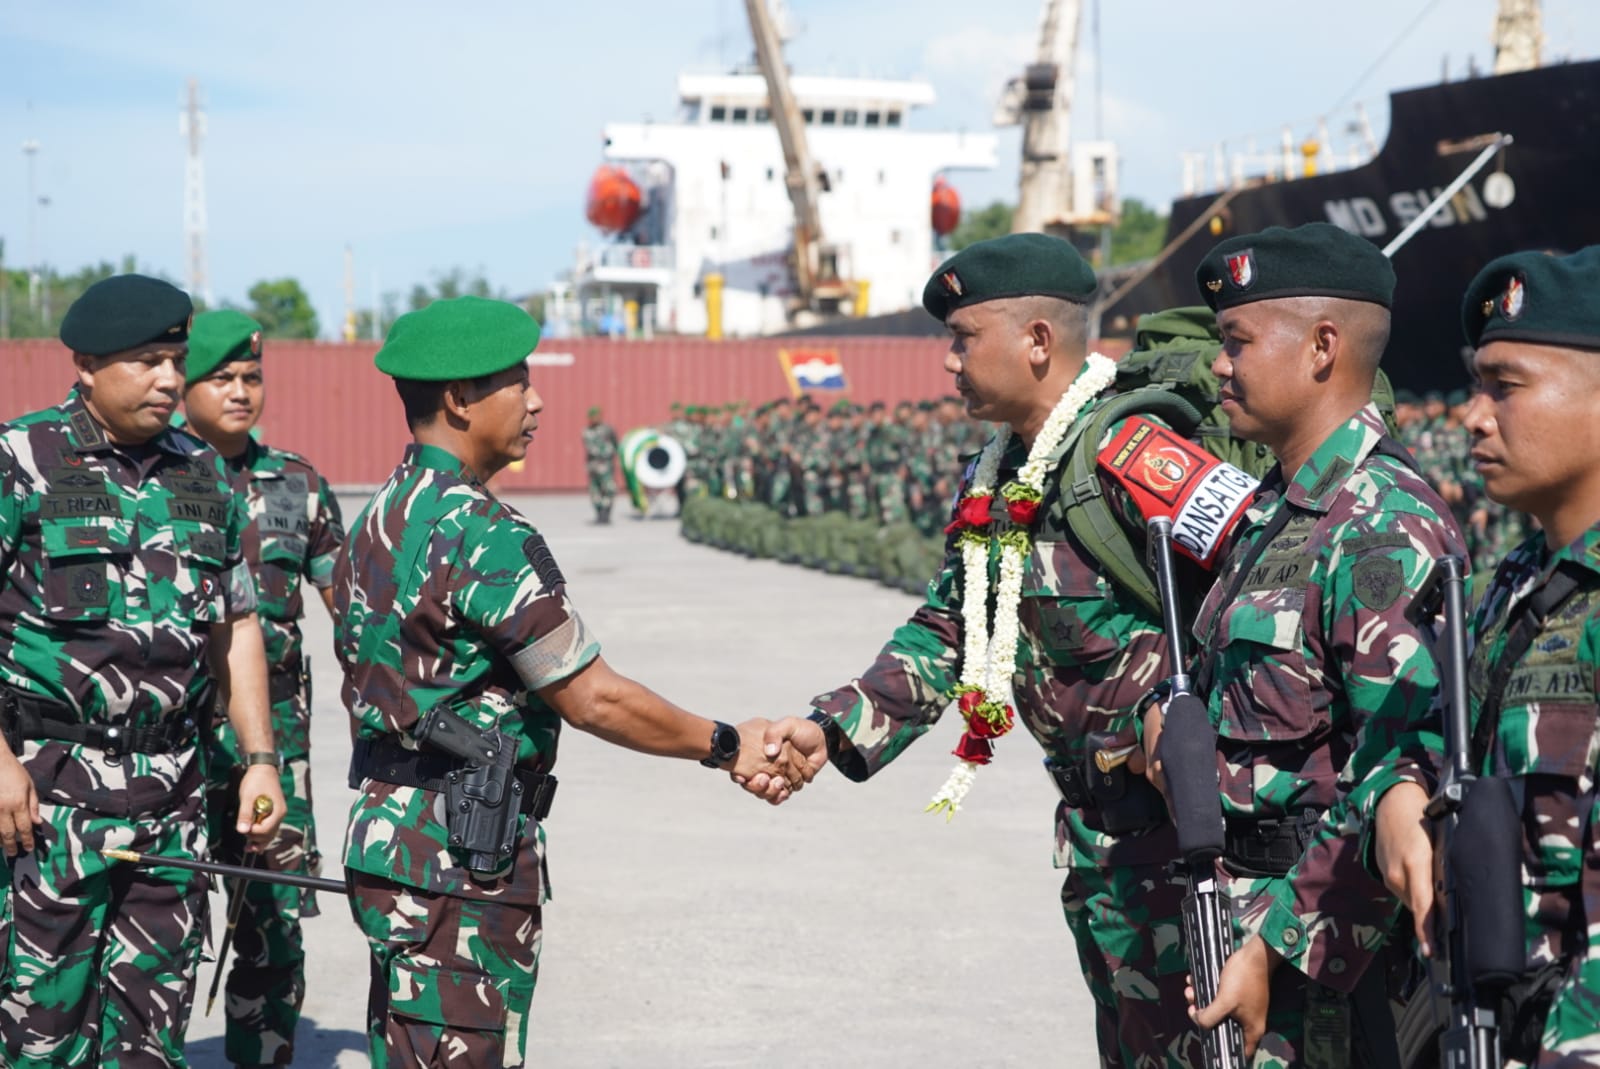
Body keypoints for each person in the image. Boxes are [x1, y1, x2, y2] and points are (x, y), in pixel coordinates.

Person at [765, 233, 1265, 1068]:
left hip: (1187, 849)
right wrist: (831, 727)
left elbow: (1271, 594)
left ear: (1037, 340)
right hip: (1099, 848)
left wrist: (1177, 721)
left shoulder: (1134, 454)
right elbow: (955, 629)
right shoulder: (993, 476)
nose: (949, 361)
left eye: (964, 337)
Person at [333, 295, 811, 1068]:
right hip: (461, 856)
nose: (537, 399)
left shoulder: (378, 518)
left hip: (391, 843)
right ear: (459, 398)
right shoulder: (480, 531)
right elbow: (593, 696)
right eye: (518, 382)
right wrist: (728, 744)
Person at [1163, 224, 1466, 1066]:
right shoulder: (1280, 510)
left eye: (1237, 341)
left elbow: (1406, 773)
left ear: (1322, 347)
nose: (1218, 364)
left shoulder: (1381, 525)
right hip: (1245, 926)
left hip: (1329, 968)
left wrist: (1274, 945)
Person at [0, 275, 286, 1067]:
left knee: (151, 1039)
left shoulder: (202, 472)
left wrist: (261, 760)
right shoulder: (22, 460)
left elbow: (238, 625)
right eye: (149, 361)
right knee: (38, 1034)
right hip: (48, 800)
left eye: (175, 359)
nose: (170, 379)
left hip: (174, 798)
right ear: (88, 365)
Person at [1375, 245, 1600, 1066]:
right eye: (1476, 385)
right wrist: (1402, 795)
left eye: (1504, 386)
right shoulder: (1519, 580)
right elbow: (1441, 731)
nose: (1473, 416)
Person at [181, 309, 345, 1068]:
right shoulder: (153, 481)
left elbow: (352, 609)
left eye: (252, 377)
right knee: (165, 919)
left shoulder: (298, 485)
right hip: (172, 744)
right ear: (181, 387)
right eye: (222, 378)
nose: (241, 392)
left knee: (273, 923)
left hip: (272, 744)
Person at [580, 405, 619, 524]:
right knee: (594, 490)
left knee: (609, 489)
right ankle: (599, 513)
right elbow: (590, 448)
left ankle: (606, 513)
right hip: (593, 465)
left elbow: (615, 443)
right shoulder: (586, 431)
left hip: (606, 465)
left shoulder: (608, 429)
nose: (595, 419)